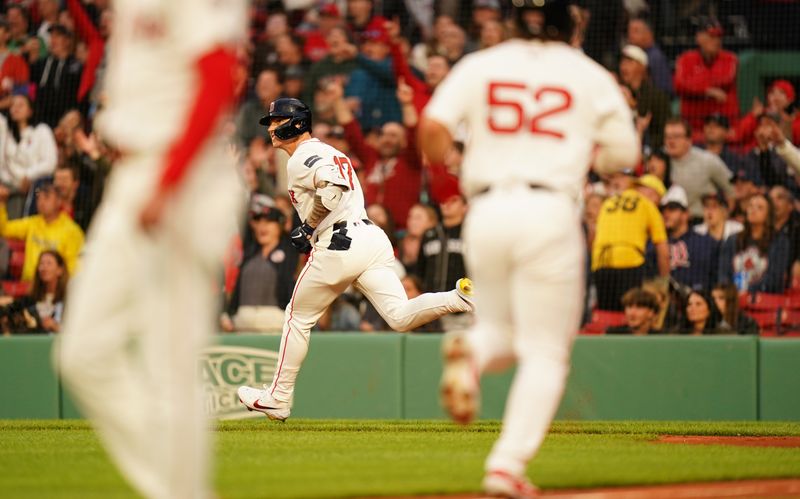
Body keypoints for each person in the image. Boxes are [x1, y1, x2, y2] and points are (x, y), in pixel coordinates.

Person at [418, 1, 639, 496]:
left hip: (487, 208)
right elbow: (624, 154)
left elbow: (432, 131)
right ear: (571, 21)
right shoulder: (588, 73)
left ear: (514, 19)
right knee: (545, 350)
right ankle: (506, 466)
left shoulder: (481, 63)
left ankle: (470, 353)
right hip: (549, 210)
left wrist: (452, 160)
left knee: (500, 330)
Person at [56, 0, 247, 497]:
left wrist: (168, 182)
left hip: (180, 176)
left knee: (170, 367)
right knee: (81, 353)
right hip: (134, 173)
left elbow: (220, 73)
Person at [237, 97, 474, 422]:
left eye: (277, 121)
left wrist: (307, 227)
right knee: (400, 316)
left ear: (294, 123)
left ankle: (278, 398)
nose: (272, 128)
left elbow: (332, 188)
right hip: (370, 238)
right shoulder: (329, 151)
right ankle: (459, 297)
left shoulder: (303, 155)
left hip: (339, 241)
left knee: (296, 317)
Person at [592, 171, 670, 311]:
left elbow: (594, 234)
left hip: (600, 262)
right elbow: (662, 248)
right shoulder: (647, 205)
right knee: (629, 314)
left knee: (606, 314)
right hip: (629, 262)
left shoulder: (608, 203)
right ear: (653, 194)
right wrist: (664, 281)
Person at [222, 200, 298, 332]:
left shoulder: (289, 250)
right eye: (259, 222)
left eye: (268, 222)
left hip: (275, 322)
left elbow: (299, 225)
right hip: (242, 322)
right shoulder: (249, 252)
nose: (262, 227)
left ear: (280, 225)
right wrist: (228, 313)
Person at [0, 180, 83, 282]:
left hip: (55, 289)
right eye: (39, 197)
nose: (41, 202)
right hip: (29, 287)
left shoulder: (72, 231)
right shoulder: (33, 222)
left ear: (59, 201)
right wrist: (2, 204)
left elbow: (73, 269)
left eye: (47, 197)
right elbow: (4, 230)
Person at [673, 20, 739, 138]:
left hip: (723, 130)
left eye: (719, 37)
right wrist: (708, 91)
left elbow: (725, 79)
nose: (716, 41)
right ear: (699, 38)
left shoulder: (730, 58)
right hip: (692, 129)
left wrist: (694, 86)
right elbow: (679, 85)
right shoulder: (686, 59)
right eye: (711, 36)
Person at [664, 118, 733, 223]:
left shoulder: (708, 160)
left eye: (677, 136)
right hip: (666, 224)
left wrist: (723, 220)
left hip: (701, 223)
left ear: (689, 140)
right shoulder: (660, 161)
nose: (671, 141)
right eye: (667, 137)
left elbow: (731, 191)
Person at [0, 94, 58, 219]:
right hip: (4, 186)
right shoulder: (5, 130)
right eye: (13, 105)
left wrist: (27, 175)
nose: (15, 108)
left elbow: (50, 163)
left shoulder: (41, 131)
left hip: (30, 189)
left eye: (20, 105)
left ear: (30, 110)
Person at [719, 193, 790, 294]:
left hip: (765, 300)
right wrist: (732, 292)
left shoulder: (779, 242)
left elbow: (775, 279)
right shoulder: (732, 240)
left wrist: (747, 290)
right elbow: (723, 274)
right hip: (733, 299)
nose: (753, 210)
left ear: (768, 214)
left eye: (759, 207)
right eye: (751, 206)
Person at [660, 188, 719, 292]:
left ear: (686, 213)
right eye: (663, 209)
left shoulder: (704, 243)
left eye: (672, 208)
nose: (666, 213)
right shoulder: (655, 244)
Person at [618, 44, 670, 152]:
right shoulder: (616, 93)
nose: (624, 67)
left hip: (649, 152)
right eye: (622, 62)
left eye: (629, 62)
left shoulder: (657, 97)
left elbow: (662, 133)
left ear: (642, 66)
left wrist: (634, 107)